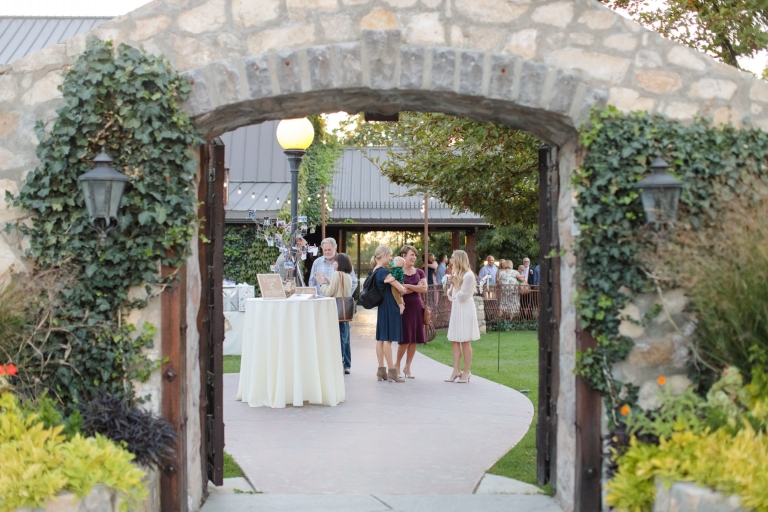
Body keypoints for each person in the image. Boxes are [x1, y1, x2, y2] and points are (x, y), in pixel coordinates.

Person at [371, 245, 407, 383]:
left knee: (381, 338)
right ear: (384, 255)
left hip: (382, 306)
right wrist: (402, 288)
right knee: (388, 339)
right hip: (390, 305)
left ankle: (381, 370)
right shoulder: (383, 272)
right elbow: (400, 288)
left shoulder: (375, 270)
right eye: (390, 255)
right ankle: (392, 372)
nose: (391, 258)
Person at [445, 250, 480, 383]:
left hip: (465, 309)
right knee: (455, 339)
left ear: (459, 259)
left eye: (453, 257)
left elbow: (462, 296)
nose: (451, 259)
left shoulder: (469, 275)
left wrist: (455, 284)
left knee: (465, 340)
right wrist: (452, 285)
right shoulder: (456, 274)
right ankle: (456, 370)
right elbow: (451, 295)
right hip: (456, 308)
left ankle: (466, 371)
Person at [317, 253, 354, 374]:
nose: (334, 264)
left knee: (337, 338)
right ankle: (345, 363)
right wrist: (328, 281)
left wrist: (321, 284)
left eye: (336, 262)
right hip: (345, 311)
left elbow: (329, 293)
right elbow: (339, 290)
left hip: (336, 310)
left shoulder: (336, 274)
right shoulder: (347, 276)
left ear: (340, 264)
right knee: (344, 337)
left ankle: (338, 362)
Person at [395, 245, 427, 379]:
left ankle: (408, 367)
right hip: (404, 308)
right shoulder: (398, 272)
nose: (414, 257)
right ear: (403, 256)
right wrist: (415, 287)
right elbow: (399, 291)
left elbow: (424, 289)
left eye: (415, 255)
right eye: (411, 254)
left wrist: (407, 286)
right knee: (405, 339)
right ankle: (396, 365)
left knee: (414, 339)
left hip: (417, 308)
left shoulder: (419, 272)